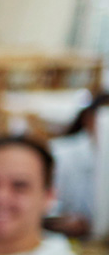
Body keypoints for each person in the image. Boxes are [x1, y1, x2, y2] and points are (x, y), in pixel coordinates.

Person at [48, 99, 101, 239]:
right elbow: (43, 213)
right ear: (89, 120)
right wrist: (67, 221)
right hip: (65, 243)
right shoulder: (59, 153)